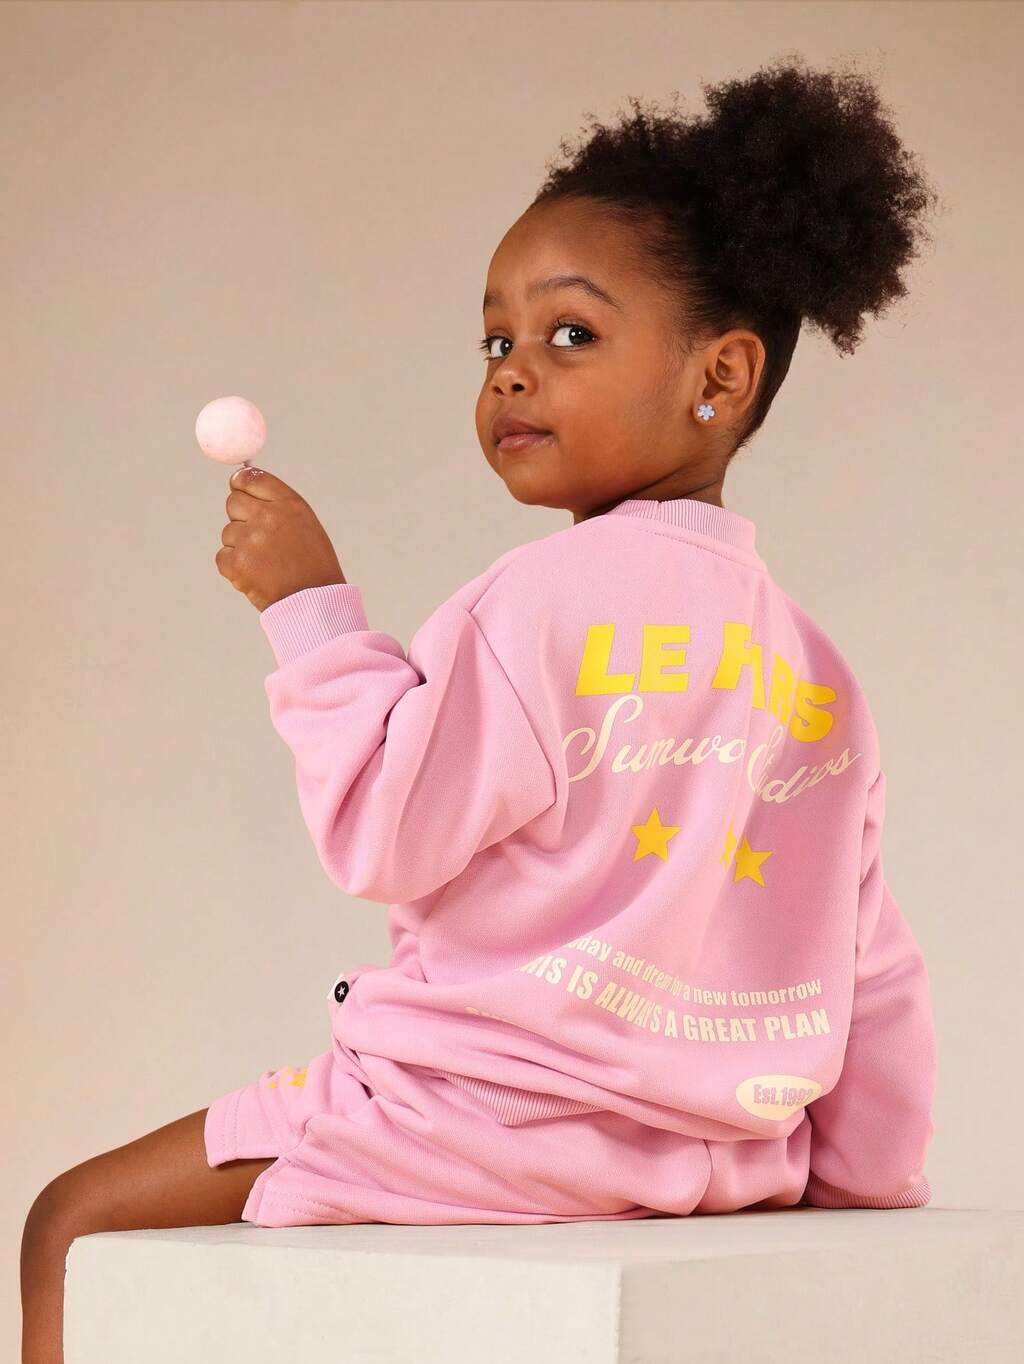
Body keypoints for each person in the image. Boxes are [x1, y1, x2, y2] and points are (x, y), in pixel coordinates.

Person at [22, 54, 943, 1362]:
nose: (513, 373)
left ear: (722, 376)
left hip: (467, 1127)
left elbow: (383, 834)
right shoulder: (813, 669)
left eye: (571, 336)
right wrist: (858, 1181)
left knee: (69, 1225)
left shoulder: (540, 601)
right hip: (711, 1160)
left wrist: (309, 608)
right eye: (497, 342)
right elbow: (872, 964)